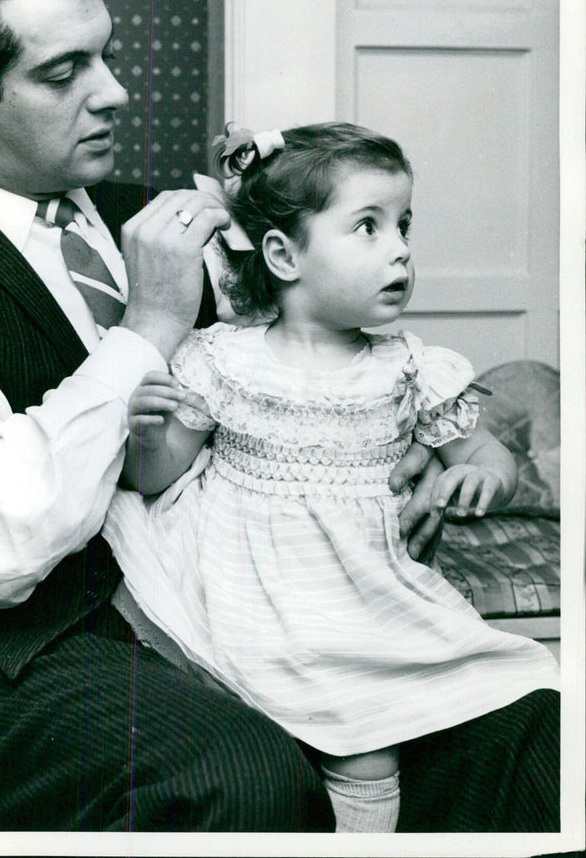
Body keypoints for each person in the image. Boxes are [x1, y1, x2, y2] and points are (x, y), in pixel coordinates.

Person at [0, 0, 557, 832]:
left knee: (539, 739)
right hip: (27, 658)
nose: (115, 91)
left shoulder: (179, 221)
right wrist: (147, 325)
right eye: (64, 72)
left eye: (107, 53)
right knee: (247, 777)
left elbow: (317, 353)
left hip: (249, 603)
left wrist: (386, 448)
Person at [104, 122, 561, 833]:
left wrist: (479, 480)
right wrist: (148, 429)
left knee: (371, 734)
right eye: (369, 228)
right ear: (285, 255)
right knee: (278, 739)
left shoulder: (410, 365)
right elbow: (155, 476)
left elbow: (483, 452)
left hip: (360, 590)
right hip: (249, 584)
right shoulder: (224, 358)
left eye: (405, 225)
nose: (401, 249)